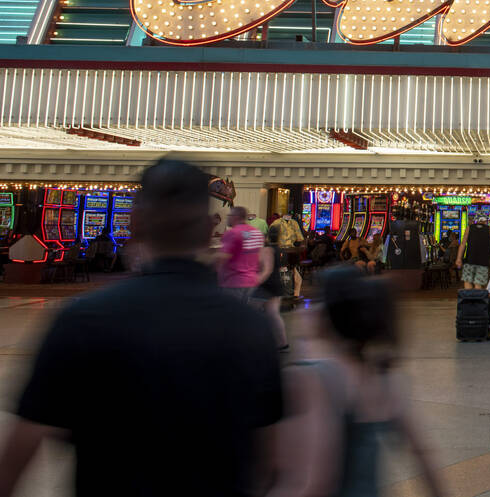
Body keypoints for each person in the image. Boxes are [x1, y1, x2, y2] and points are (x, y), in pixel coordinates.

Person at [0, 157, 283, 497]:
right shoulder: (251, 327)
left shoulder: (84, 319)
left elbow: (19, 454)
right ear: (211, 228)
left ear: (134, 223)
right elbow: (268, 465)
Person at [267, 265, 445, 497]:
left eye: (314, 300)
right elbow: (423, 455)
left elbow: (315, 482)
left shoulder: (317, 378)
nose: (305, 309)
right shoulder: (382, 374)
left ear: (326, 314)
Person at [216, 206, 266, 301]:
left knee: (229, 313)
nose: (227, 218)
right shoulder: (257, 233)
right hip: (251, 282)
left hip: (233, 281)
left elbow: (223, 258)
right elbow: (260, 257)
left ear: (235, 217)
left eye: (229, 215)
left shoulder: (232, 233)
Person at [257, 225, 289, 351]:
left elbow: (262, 267)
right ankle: (283, 343)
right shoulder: (282, 250)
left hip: (265, 283)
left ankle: (253, 339)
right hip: (276, 283)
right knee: (274, 314)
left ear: (268, 235)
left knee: (251, 311)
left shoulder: (266, 249)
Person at [456, 221, 490, 290]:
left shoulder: (469, 228)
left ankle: (469, 300)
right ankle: (477, 300)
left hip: (469, 259)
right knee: (478, 284)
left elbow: (463, 244)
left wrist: (459, 258)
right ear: (485, 221)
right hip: (483, 261)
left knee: (467, 282)